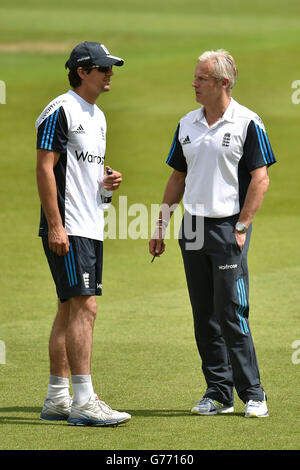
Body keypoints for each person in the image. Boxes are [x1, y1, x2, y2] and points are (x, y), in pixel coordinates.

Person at [149, 49, 276, 418]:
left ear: (223, 83)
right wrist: (160, 224)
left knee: (231, 311)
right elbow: (177, 177)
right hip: (192, 226)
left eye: (201, 79)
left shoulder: (248, 123)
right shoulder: (187, 123)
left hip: (226, 227)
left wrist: (241, 226)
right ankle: (219, 392)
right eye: (195, 77)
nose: (194, 83)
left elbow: (260, 178)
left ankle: (253, 393)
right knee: (203, 313)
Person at [36, 41, 131, 426]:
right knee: (85, 307)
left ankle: (58, 399)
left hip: (89, 224)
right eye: (103, 68)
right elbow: (45, 168)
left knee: (68, 308)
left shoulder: (98, 116)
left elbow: (82, 172)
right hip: (69, 227)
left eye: (111, 68)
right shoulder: (60, 109)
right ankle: (84, 401)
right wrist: (56, 225)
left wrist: (107, 186)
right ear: (82, 71)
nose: (110, 73)